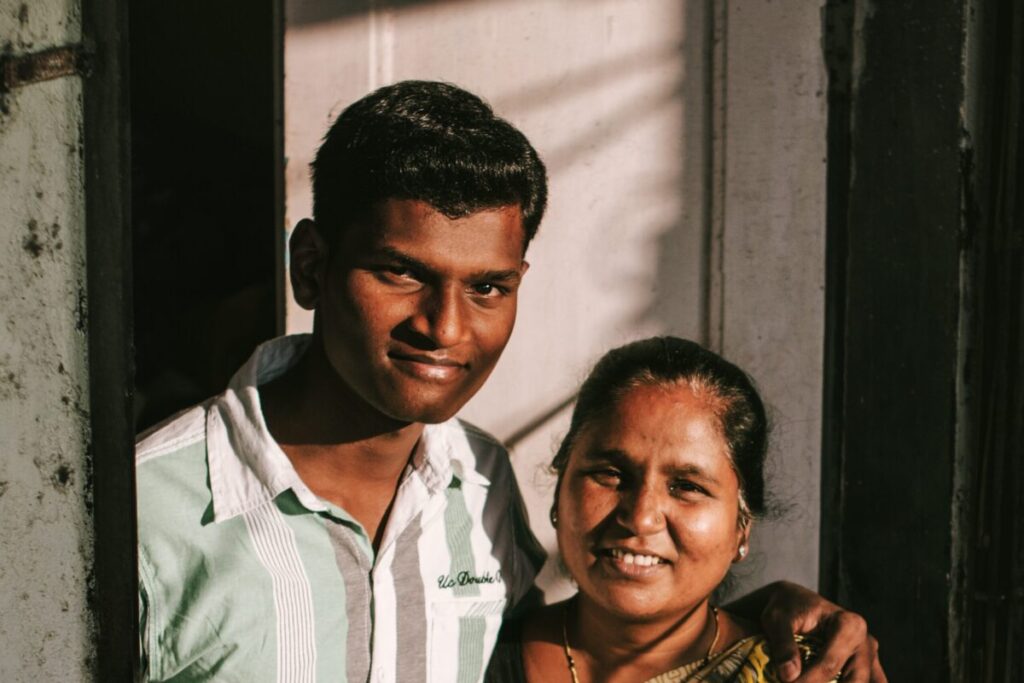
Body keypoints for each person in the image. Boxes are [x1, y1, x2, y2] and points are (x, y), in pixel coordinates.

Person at [136, 81, 882, 682]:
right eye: (401, 272)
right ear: (311, 266)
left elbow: (621, 628)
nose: (446, 327)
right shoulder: (145, 511)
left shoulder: (479, 483)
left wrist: (771, 616)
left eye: (488, 287)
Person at [486, 337, 881, 683]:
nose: (640, 517)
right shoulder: (466, 654)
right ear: (559, 493)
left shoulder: (805, 674)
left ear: (742, 528)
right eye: (610, 474)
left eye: (687, 487)